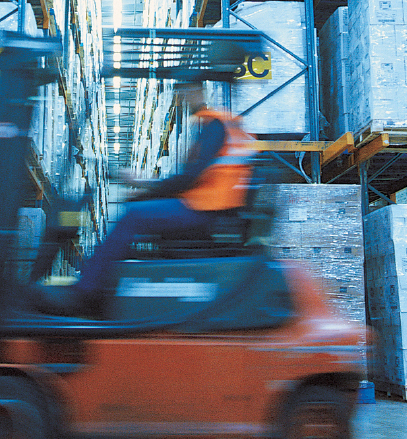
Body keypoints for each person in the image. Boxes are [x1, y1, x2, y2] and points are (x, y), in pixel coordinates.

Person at [35, 81, 254, 316]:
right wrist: (144, 190)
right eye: (178, 93)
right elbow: (191, 179)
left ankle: (85, 292)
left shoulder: (214, 125)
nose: (180, 99)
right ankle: (110, 285)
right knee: (138, 209)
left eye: (185, 92)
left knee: (133, 216)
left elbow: (188, 179)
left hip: (207, 210)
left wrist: (145, 187)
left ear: (199, 91)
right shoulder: (218, 124)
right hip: (209, 207)